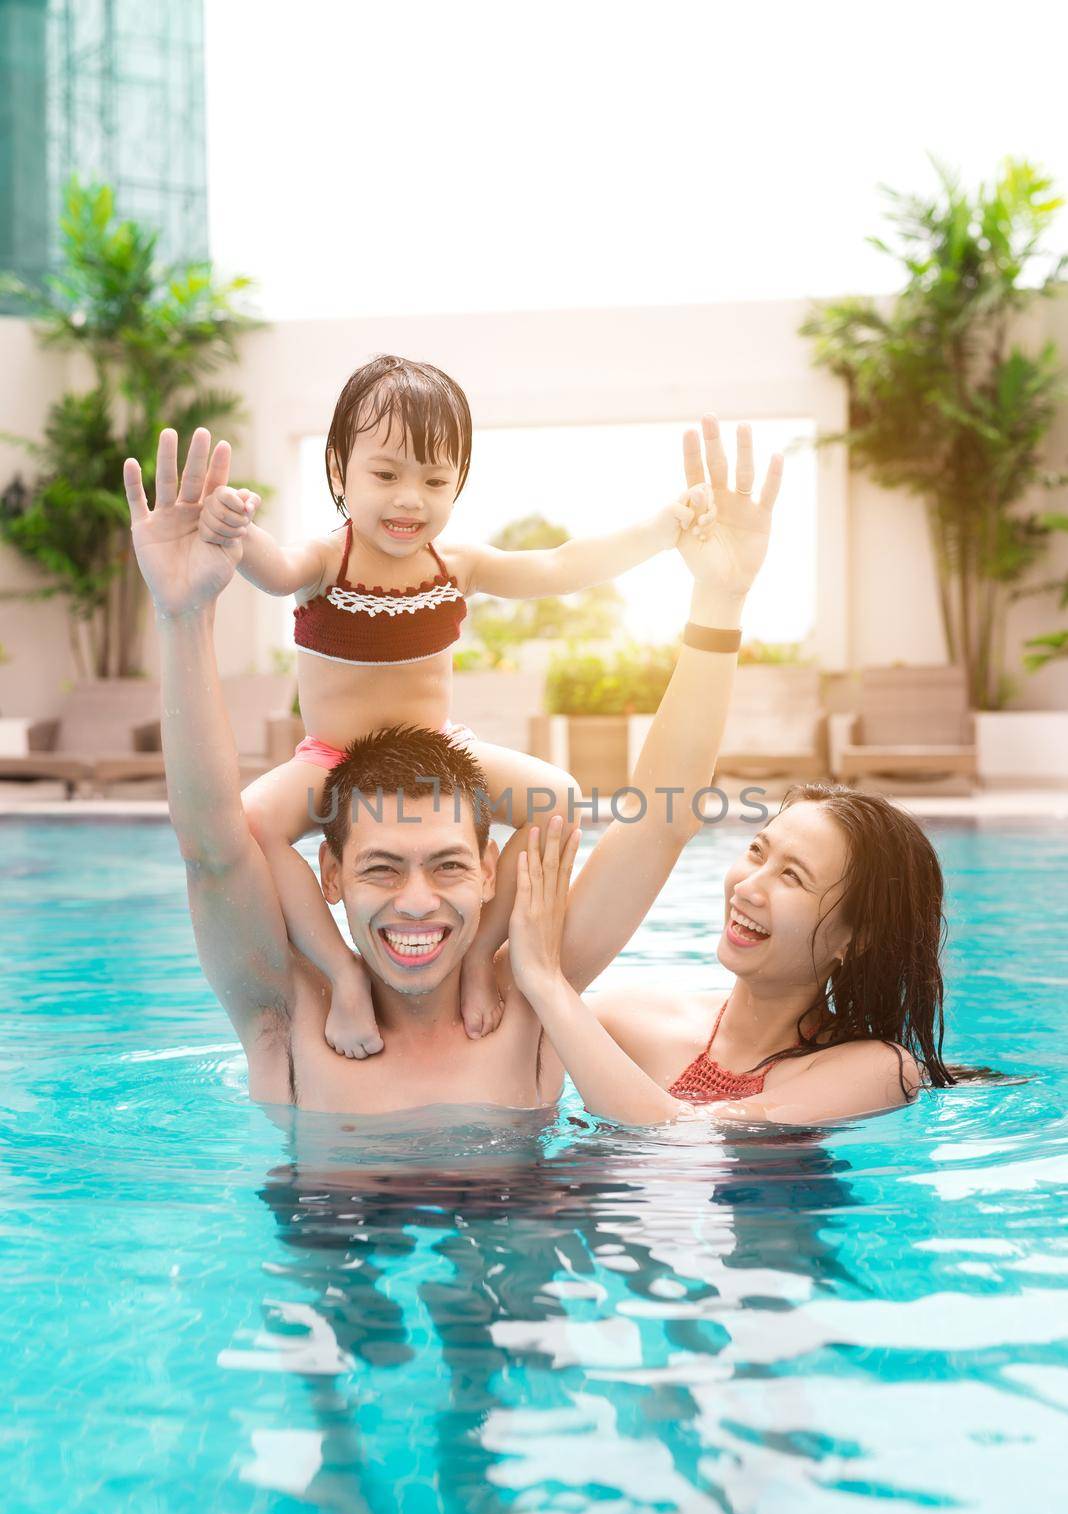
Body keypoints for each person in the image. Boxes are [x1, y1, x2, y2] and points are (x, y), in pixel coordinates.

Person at [123, 416, 782, 1115]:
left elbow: (662, 820)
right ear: (332, 875)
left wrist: (721, 597)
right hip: (333, 1222)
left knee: (559, 797)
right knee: (245, 830)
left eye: (448, 865)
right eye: (382, 866)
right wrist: (182, 616)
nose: (415, 901)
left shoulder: (531, 998)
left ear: (493, 868)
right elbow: (212, 844)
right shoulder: (288, 1025)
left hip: (510, 1216)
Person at [196, 354, 710, 1061]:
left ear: (457, 485)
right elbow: (272, 568)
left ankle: (477, 959)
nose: (411, 499)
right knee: (250, 828)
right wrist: (232, 527)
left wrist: (662, 530)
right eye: (386, 475)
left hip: (434, 754)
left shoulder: (455, 566)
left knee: (557, 800)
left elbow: (559, 566)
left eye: (435, 481)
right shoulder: (325, 561)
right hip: (336, 762)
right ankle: (342, 972)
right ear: (339, 471)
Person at [506, 784, 953, 1126]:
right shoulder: (623, 1020)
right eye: (756, 852)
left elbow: (686, 1137)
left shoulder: (876, 1068)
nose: (747, 887)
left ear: (856, 939)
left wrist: (547, 980)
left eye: (792, 877)